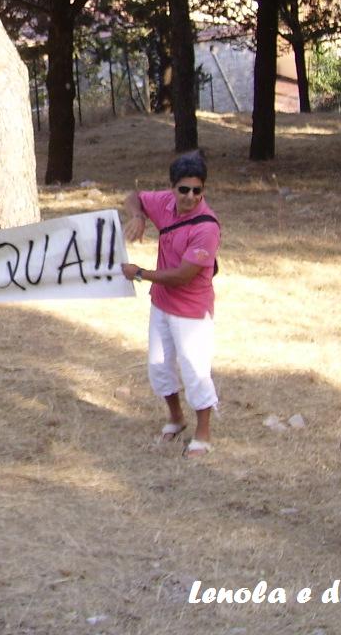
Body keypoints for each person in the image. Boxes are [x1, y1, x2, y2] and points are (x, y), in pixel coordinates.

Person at [121, 151, 221, 457]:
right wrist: (138, 215)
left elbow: (183, 276)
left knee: (194, 368)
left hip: (191, 309)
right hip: (161, 304)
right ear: (172, 188)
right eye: (184, 190)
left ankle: (202, 434)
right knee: (159, 366)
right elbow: (132, 196)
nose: (190, 197)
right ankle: (176, 418)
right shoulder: (163, 203)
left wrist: (139, 273)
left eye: (197, 190)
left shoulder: (206, 227)